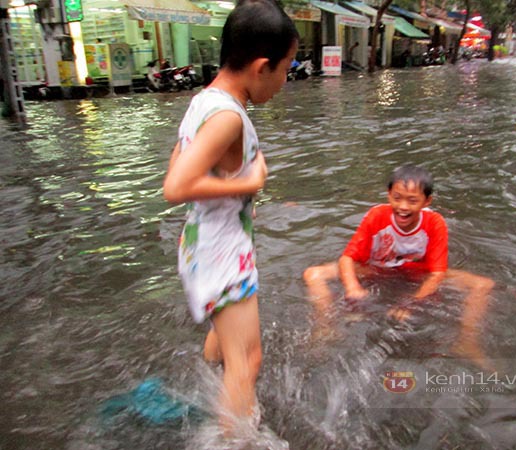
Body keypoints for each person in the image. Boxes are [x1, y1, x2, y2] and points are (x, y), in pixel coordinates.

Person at [163, 0, 298, 430]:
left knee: (224, 342)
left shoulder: (205, 100)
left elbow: (176, 164)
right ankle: (232, 439)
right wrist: (251, 182)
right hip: (222, 251)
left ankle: (206, 397)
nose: (284, 81)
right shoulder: (227, 118)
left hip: (202, 244)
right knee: (248, 358)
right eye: (286, 69)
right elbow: (176, 187)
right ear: (261, 66)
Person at [303, 165, 495, 367]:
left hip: (417, 274)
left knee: (483, 285)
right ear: (388, 195)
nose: (403, 206)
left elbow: (437, 274)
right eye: (397, 198)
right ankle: (325, 327)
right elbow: (347, 259)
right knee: (313, 274)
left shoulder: (435, 223)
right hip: (377, 270)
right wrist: (353, 288)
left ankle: (467, 342)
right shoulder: (376, 216)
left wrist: (412, 302)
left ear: (427, 201)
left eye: (412, 201)